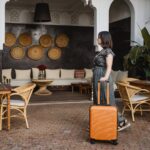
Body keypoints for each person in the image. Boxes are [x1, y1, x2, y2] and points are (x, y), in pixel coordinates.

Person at [93, 31, 130, 131]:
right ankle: (100, 121)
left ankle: (121, 121)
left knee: (107, 100)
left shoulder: (108, 51)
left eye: (99, 37)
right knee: (99, 100)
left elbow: (109, 67)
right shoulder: (102, 51)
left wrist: (105, 78)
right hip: (98, 77)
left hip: (103, 78)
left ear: (104, 39)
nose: (97, 39)